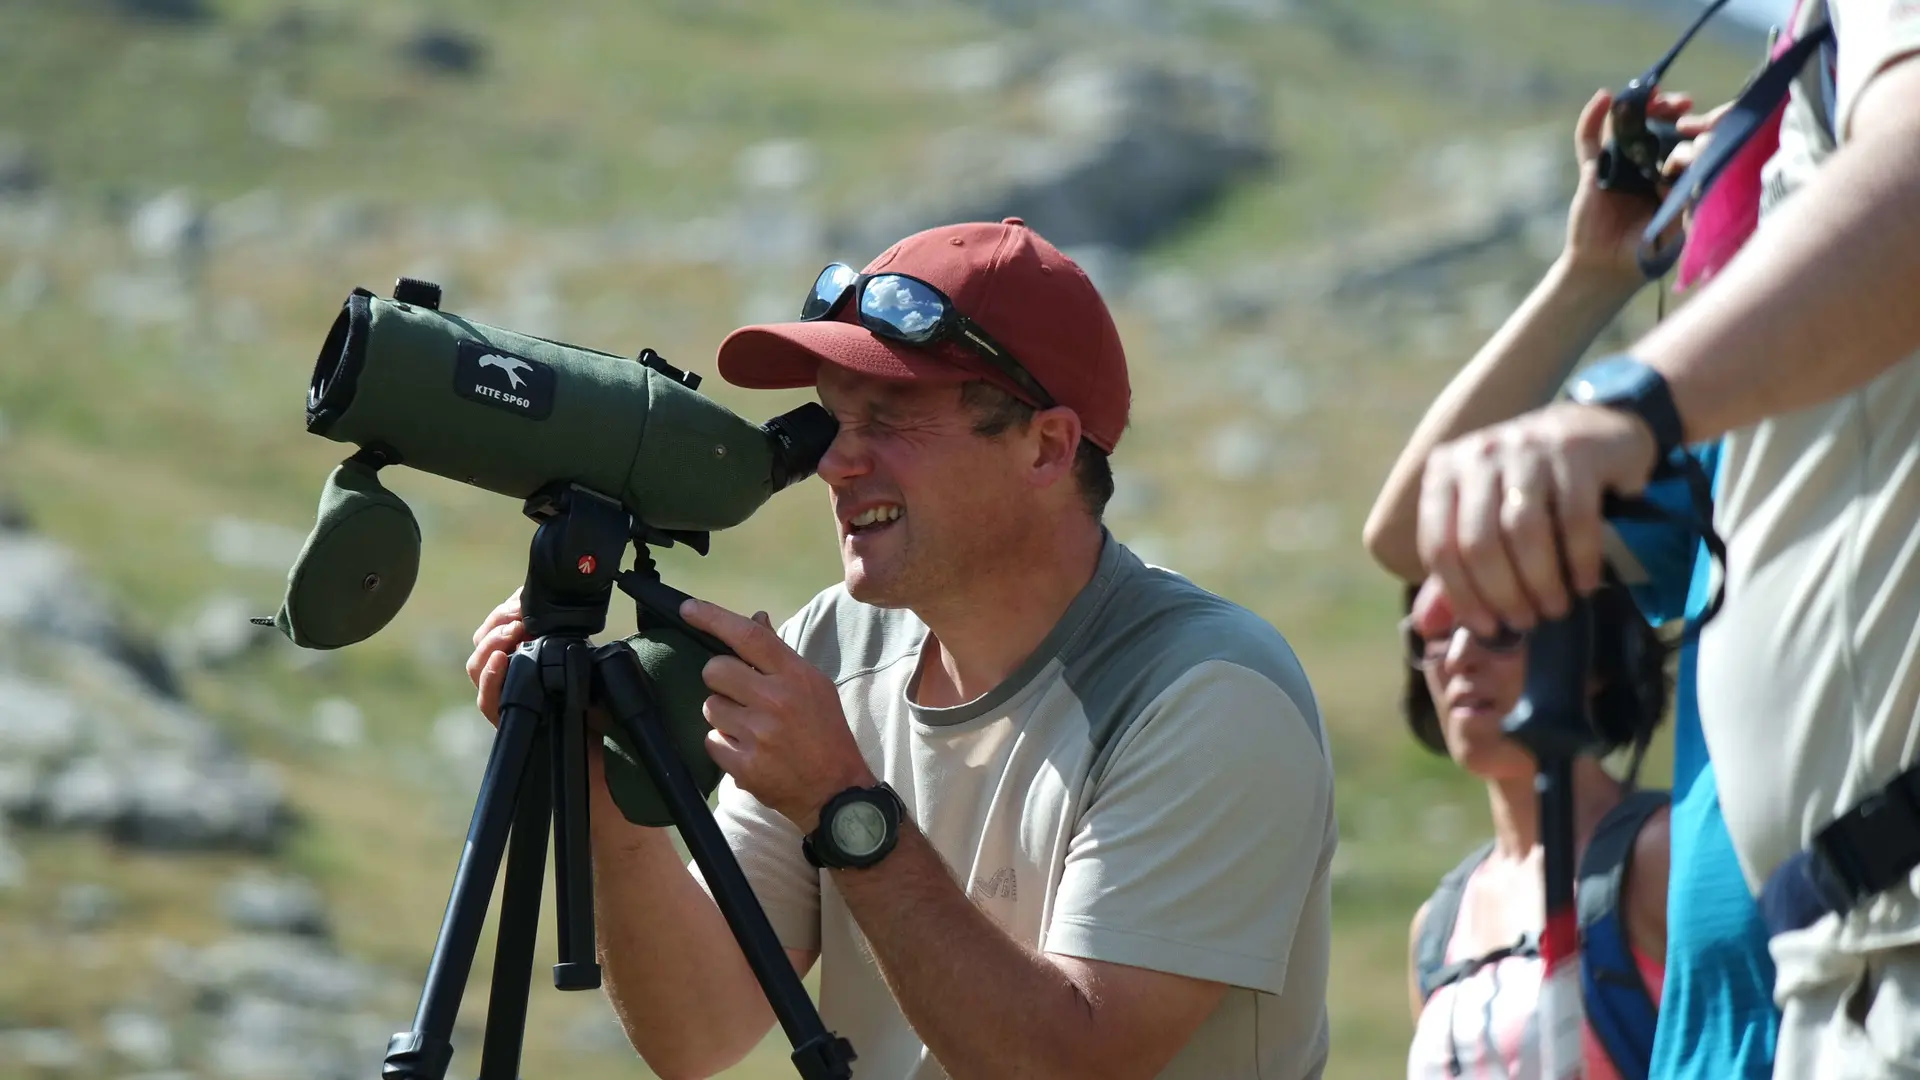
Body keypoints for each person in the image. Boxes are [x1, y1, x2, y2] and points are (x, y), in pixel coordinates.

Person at [466, 218, 1337, 1079]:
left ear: (1047, 447)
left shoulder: (1209, 693)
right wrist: (604, 794)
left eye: (890, 420)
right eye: (832, 420)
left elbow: (1069, 1067)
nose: (835, 464)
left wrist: (843, 804)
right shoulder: (834, 648)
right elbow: (696, 1030)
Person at [1410, 3, 1920, 1074]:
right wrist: (1591, 280)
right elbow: (1420, 528)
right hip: (1800, 1002)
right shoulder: (1735, 491)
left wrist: (1629, 405)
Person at [1366, 83, 1786, 1080]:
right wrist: (1591, 274)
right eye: (1441, 638)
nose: (1460, 650)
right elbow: (1413, 530)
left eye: (1503, 631)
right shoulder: (1441, 925)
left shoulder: (1647, 860)